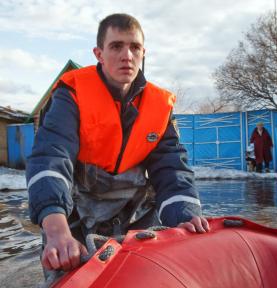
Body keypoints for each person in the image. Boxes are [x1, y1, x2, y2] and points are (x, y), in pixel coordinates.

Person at [26, 13, 209, 273]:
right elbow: (52, 156)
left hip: (135, 211)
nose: (127, 56)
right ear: (99, 53)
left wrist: (186, 215)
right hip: (74, 212)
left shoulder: (160, 106)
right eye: (116, 46)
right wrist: (56, 229)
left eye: (135, 47)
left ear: (143, 52)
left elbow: (172, 168)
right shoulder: (71, 93)